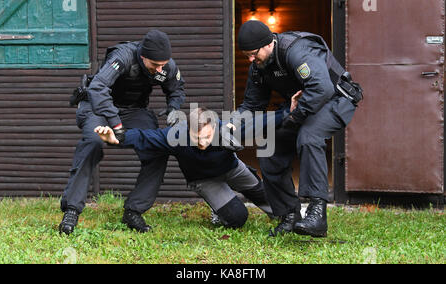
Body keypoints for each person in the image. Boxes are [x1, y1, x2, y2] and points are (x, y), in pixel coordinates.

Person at [236, 20, 362, 237]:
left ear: (268, 44)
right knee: (269, 148)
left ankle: (317, 214)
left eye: (253, 53)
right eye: (246, 55)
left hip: (336, 98)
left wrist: (294, 117)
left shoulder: (296, 51)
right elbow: (252, 105)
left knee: (309, 136)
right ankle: (289, 216)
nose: (250, 59)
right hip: (304, 106)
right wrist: (231, 124)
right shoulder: (259, 67)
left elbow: (321, 88)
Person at [59, 30, 186, 235]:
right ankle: (72, 209)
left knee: (158, 147)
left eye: (163, 64)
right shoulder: (123, 56)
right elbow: (98, 88)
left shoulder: (165, 65)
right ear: (143, 56)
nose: (160, 69)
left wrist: (174, 107)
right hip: (97, 107)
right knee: (93, 142)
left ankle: (134, 210)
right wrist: (116, 125)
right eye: (155, 65)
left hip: (133, 110)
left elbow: (177, 88)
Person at [94, 107, 282, 229]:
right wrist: (115, 139)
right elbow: (144, 137)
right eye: (196, 137)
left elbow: (262, 121)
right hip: (203, 179)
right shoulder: (175, 136)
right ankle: (218, 209)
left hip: (232, 168)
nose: (202, 142)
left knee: (272, 202)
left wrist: (289, 112)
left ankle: (280, 215)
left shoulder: (226, 129)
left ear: (215, 128)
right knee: (238, 218)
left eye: (207, 137)